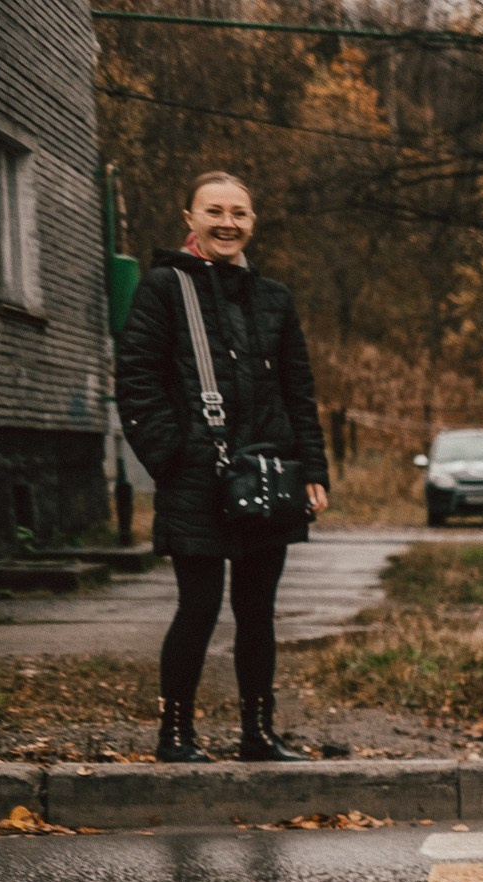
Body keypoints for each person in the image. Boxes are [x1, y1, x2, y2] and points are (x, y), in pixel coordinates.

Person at [114, 171, 330, 763]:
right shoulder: (163, 287)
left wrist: (313, 468)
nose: (227, 223)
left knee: (258, 612)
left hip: (270, 477)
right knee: (198, 606)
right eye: (214, 211)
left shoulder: (274, 298)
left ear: (252, 222)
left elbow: (298, 389)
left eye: (239, 212)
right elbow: (136, 382)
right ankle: (175, 735)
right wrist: (173, 456)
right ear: (190, 218)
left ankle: (258, 735)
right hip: (195, 480)